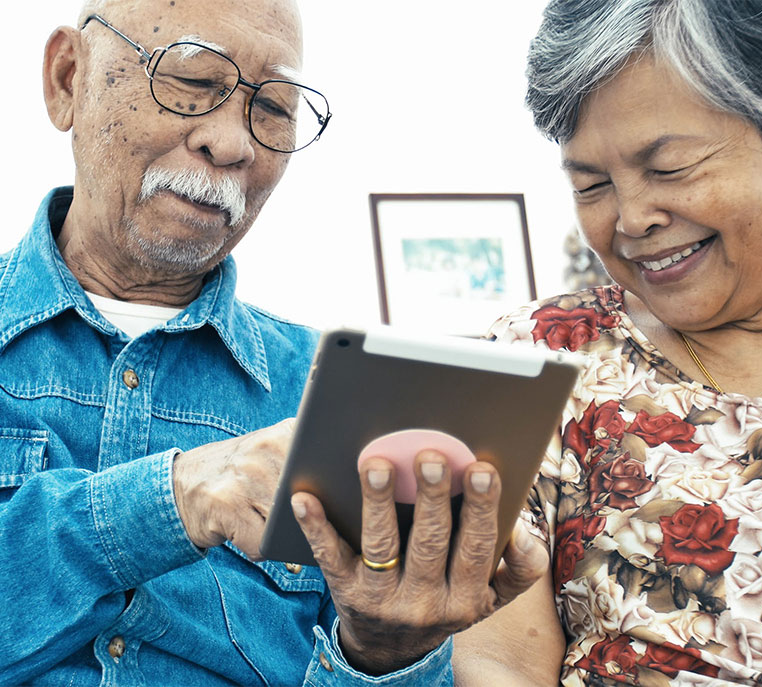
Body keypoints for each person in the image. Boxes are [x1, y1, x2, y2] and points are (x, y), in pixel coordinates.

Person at [0, 1, 546, 684]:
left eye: (274, 111)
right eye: (193, 82)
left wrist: (384, 653)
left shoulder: (343, 398)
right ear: (67, 79)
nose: (233, 144)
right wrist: (170, 499)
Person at [450, 0, 762, 685]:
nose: (630, 219)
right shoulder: (525, 364)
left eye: (670, 167)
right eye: (591, 184)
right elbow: (493, 664)